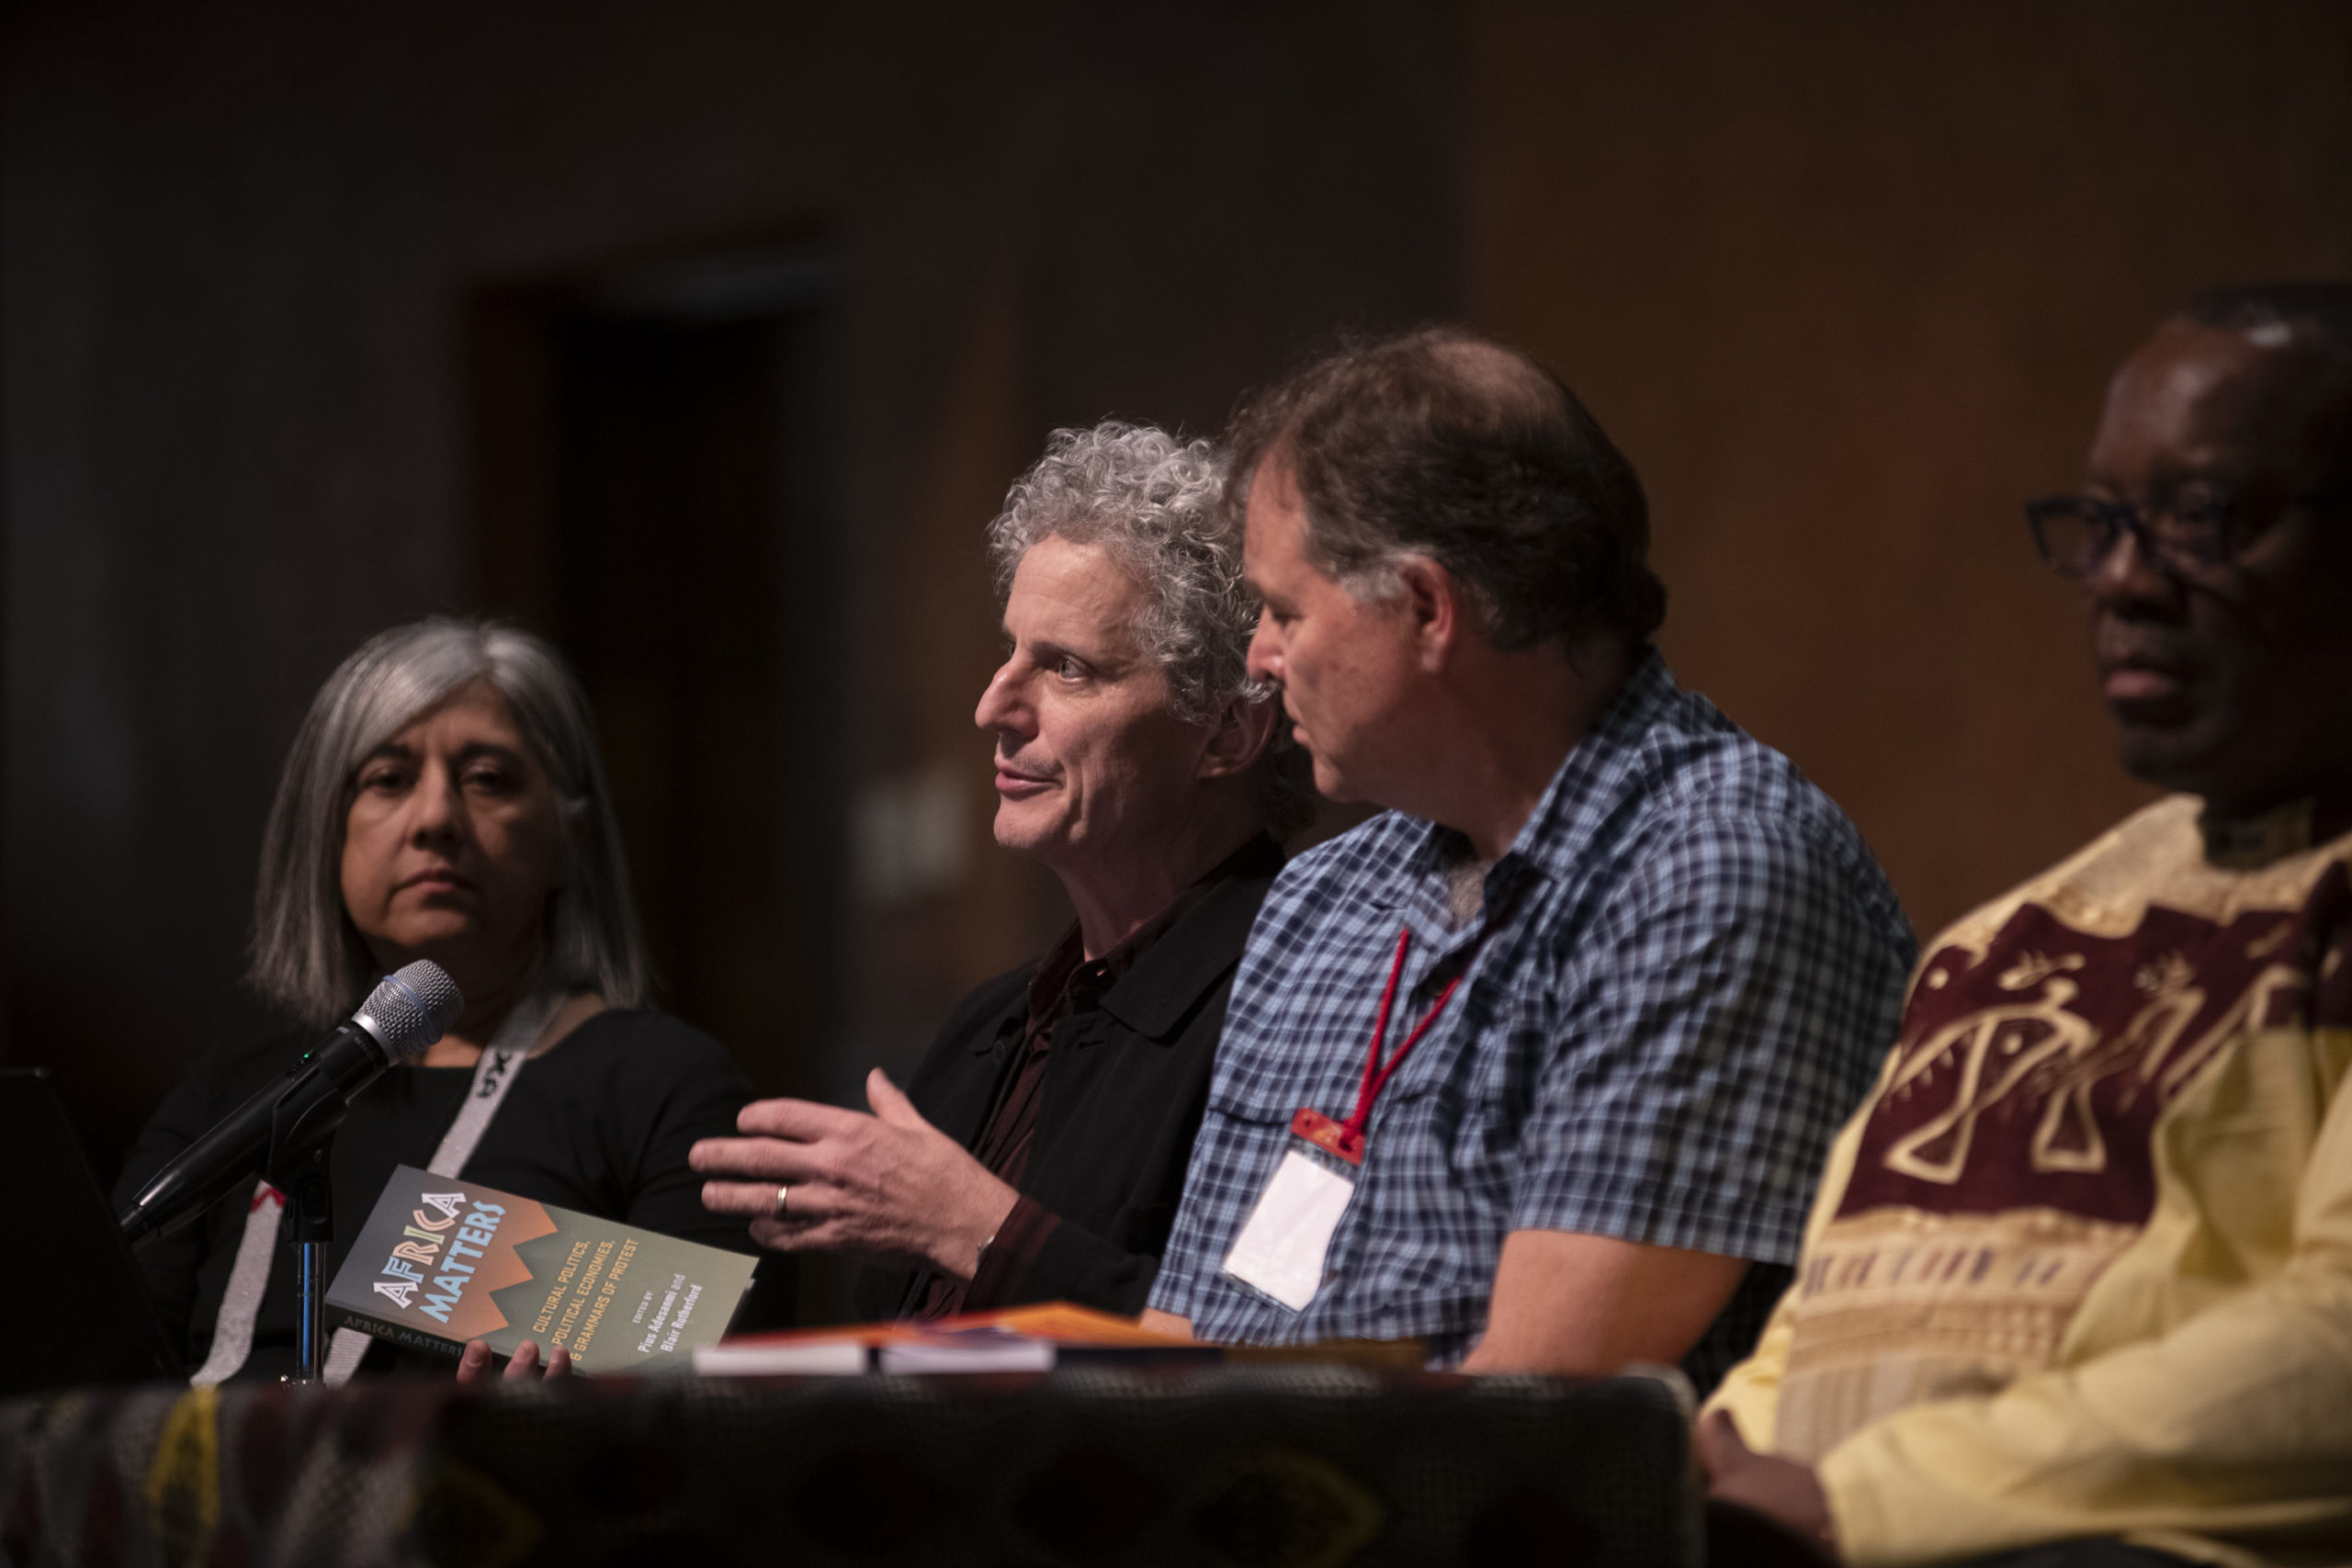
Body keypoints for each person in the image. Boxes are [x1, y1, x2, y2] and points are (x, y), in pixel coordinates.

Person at [1699, 286, 2352, 1565]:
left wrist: (1866, 1501)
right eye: (2105, 523)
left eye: (2203, 519)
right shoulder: (2008, 934)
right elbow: (1824, 1306)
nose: (2123, 579)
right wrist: (1726, 1452)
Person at [1139, 327, 1917, 1391]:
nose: (1259, 662)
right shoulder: (1320, 899)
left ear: (1425, 608)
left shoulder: (1711, 873)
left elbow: (1534, 1418)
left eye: (1283, 612)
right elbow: (1185, 1349)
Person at [693, 423, 1304, 1317]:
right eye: (1009, 651)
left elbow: (1267, 1351)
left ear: (1226, 732)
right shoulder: (990, 1023)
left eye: (1066, 669)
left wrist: (968, 1223)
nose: (992, 707)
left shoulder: (1300, 996)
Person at [118, 618, 778, 1382]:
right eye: (389, 779)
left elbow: (718, 1425)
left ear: (568, 839)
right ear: (328, 833)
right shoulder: (229, 1094)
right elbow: (86, 1379)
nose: (435, 818)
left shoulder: (669, 1090)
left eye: (489, 778)